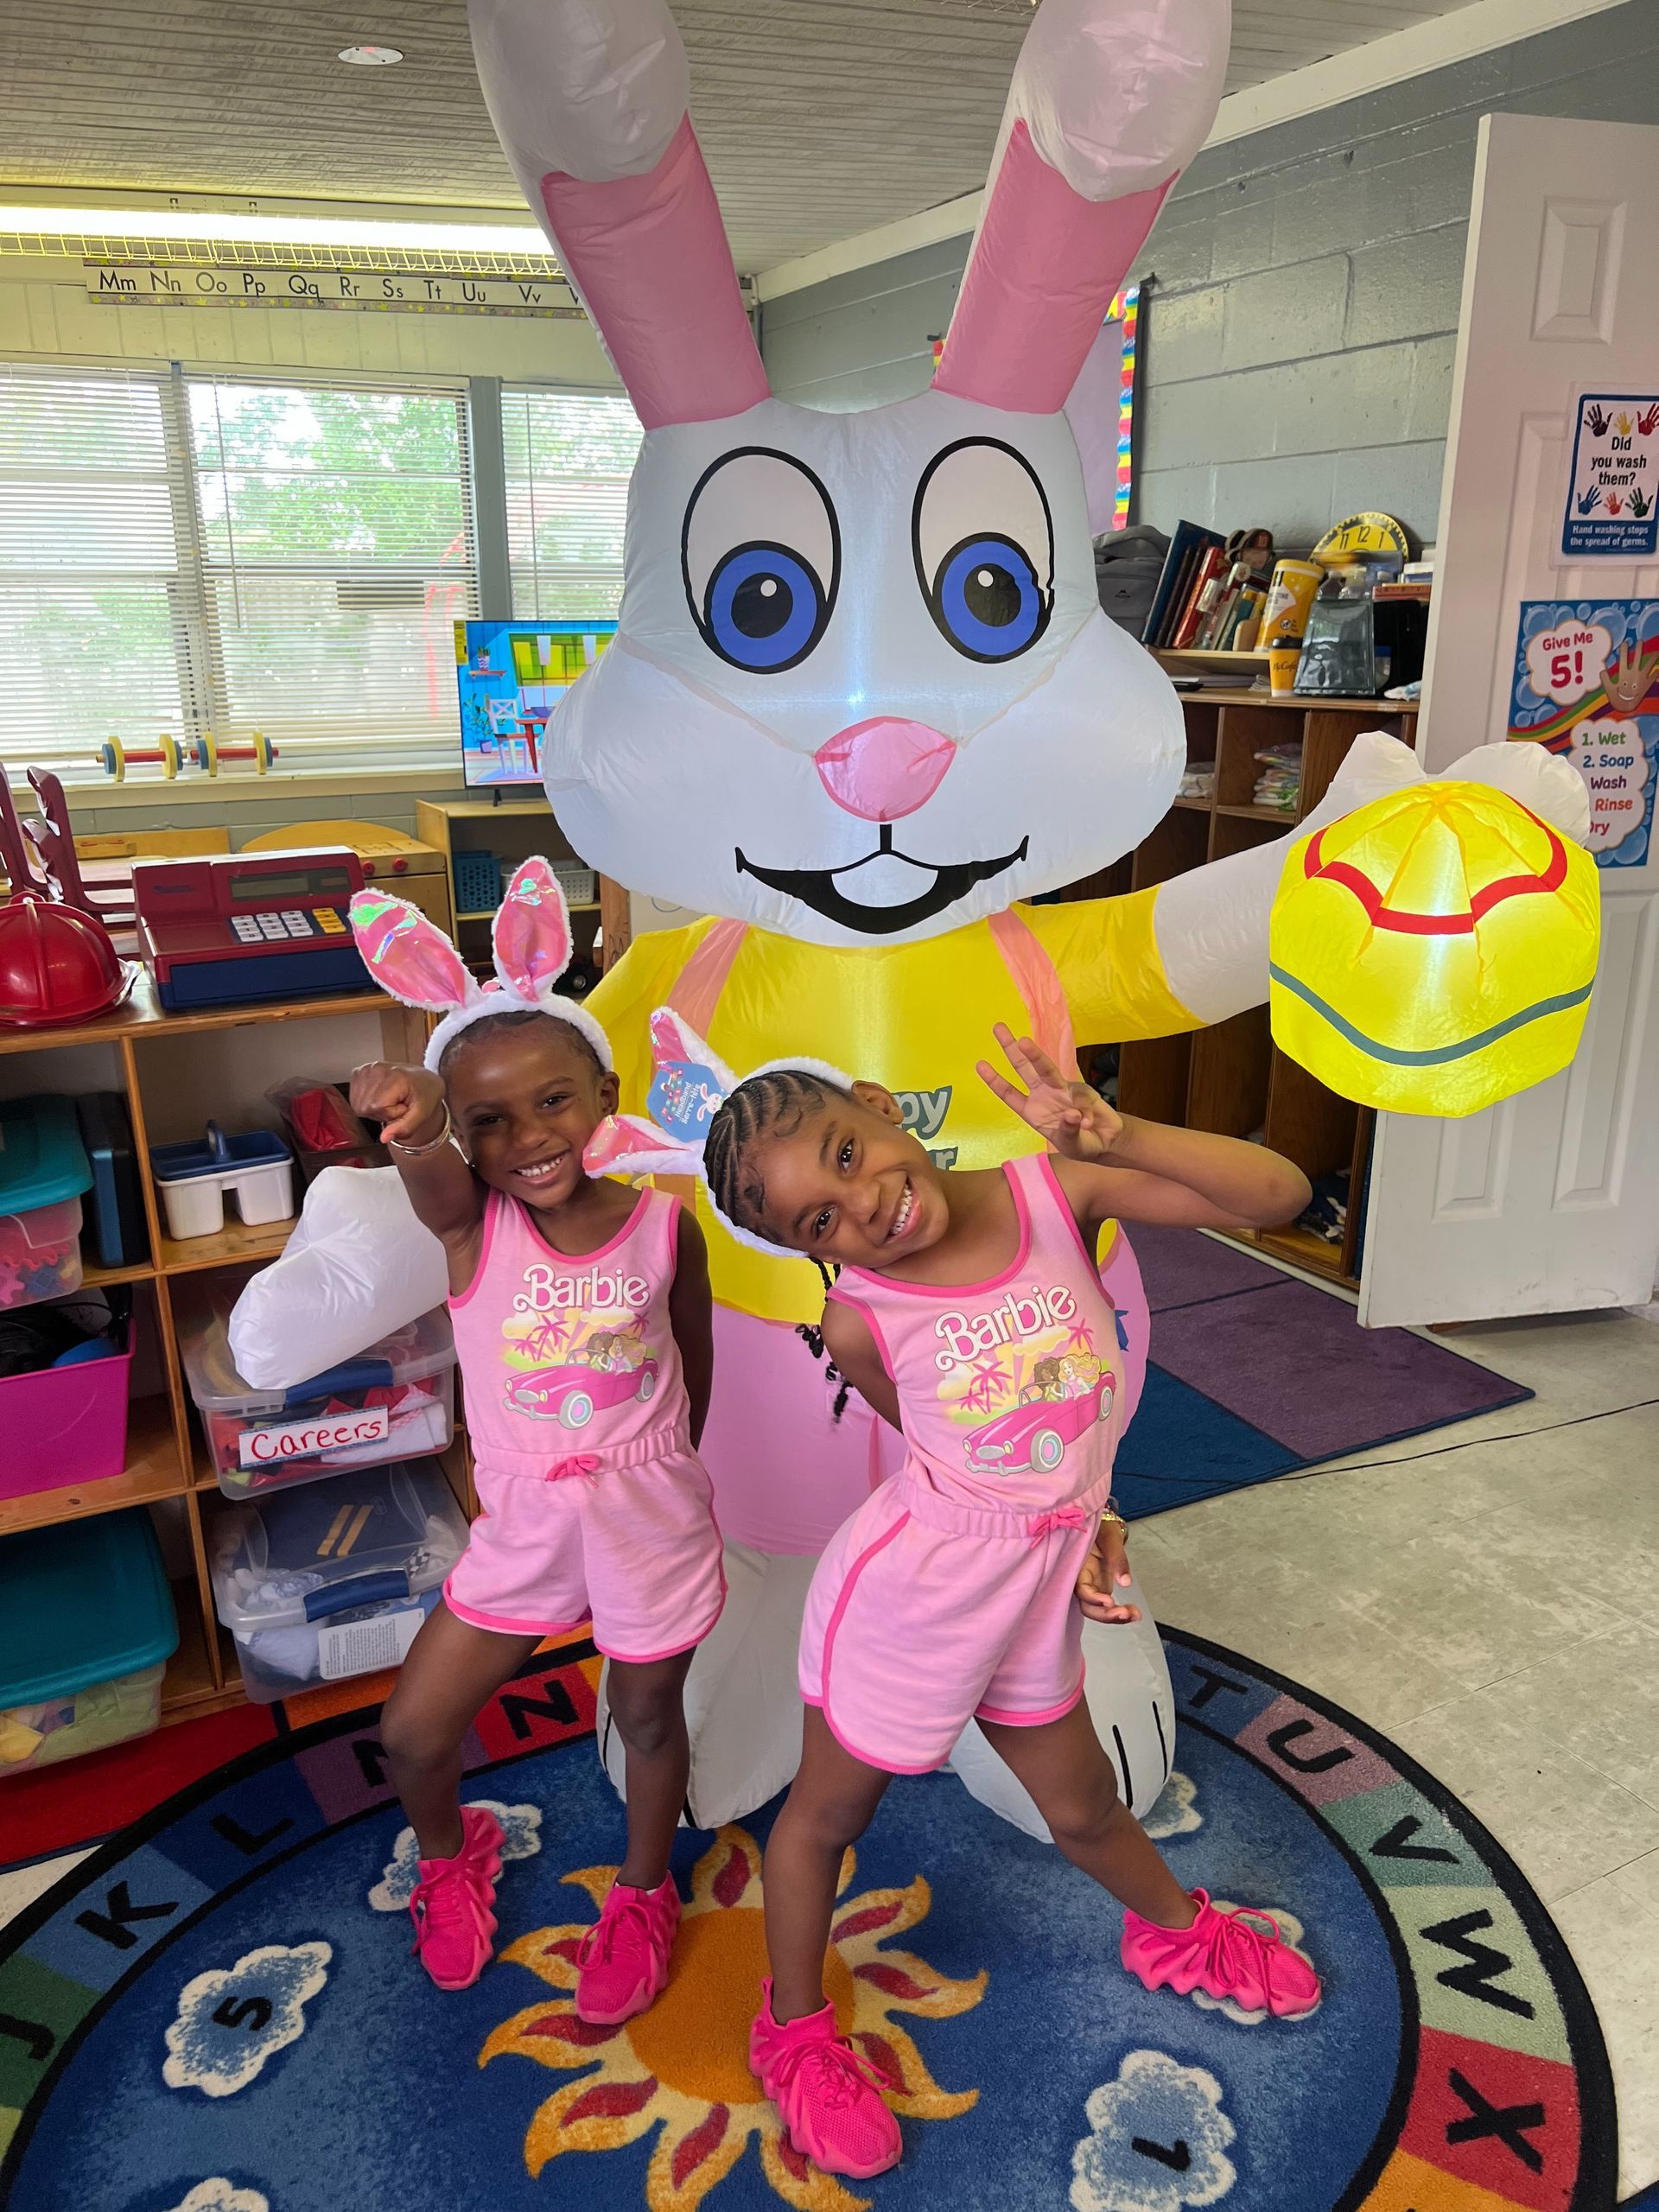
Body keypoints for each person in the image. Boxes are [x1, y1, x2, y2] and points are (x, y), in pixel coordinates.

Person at [689, 1022, 1320, 2180]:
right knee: (830, 1822)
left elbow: (1277, 1192)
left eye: (846, 1151)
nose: (861, 1204)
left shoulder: (1051, 1189)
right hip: (913, 1596)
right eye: (816, 1221)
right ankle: (794, 2031)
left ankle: (1176, 1932)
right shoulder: (856, 1316)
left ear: (881, 1104)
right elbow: (934, 1436)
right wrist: (1029, 1512)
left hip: (1040, 1582)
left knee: (1082, 1803)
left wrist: (1119, 1128)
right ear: (801, 1250)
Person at [346, 862, 722, 2014]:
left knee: (648, 1716)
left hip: (650, 1516)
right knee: (415, 1732)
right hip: (523, 1525)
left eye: (554, 1102)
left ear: (607, 1087)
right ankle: (452, 1856)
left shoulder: (667, 1222)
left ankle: (645, 1889)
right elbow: (434, 1179)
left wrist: (663, 1469)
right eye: (486, 1121)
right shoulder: (473, 1222)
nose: (528, 1138)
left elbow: (694, 1367)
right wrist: (411, 1123)